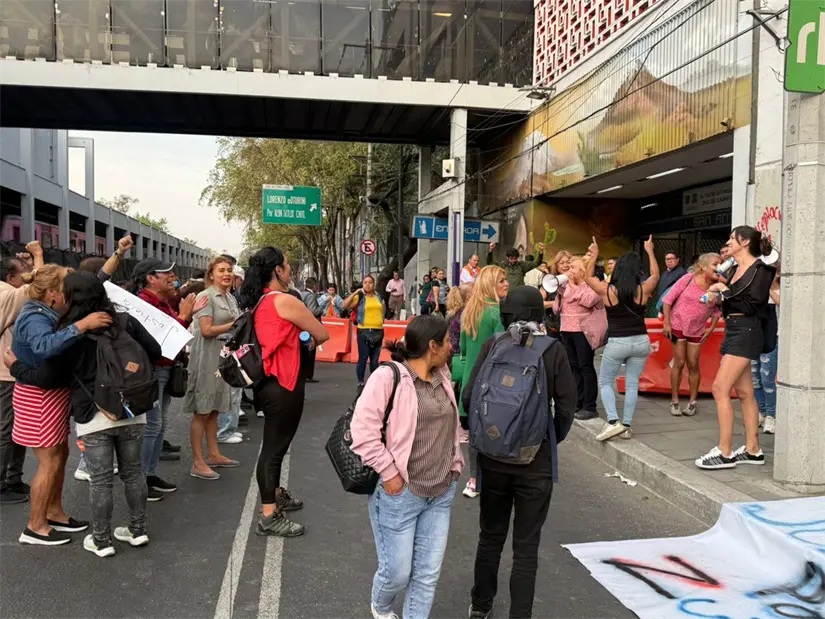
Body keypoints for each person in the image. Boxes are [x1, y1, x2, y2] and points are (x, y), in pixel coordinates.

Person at [7, 271, 162, 556]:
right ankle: (137, 531)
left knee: (100, 480)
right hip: (133, 409)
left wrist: (15, 367)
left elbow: (49, 378)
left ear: (71, 296)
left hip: (94, 414)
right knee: (133, 473)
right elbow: (155, 350)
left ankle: (101, 541)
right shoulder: (125, 321)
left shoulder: (71, 334)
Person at [463, 286, 576, 619]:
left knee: (490, 536)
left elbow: (469, 399)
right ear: (539, 315)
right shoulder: (553, 350)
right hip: (534, 462)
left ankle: (480, 606)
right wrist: (544, 439)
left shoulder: (493, 345)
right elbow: (567, 409)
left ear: (506, 314)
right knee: (526, 548)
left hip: (493, 459)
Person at [350, 315, 463, 619]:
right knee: (397, 573)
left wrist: (455, 464)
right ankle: (381, 605)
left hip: (441, 493)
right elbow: (362, 432)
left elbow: (449, 426)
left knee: (427, 576)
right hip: (402, 493)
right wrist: (389, 474)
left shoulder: (442, 376)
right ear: (432, 345)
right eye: (447, 341)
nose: (451, 347)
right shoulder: (389, 377)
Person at [12, 265, 113, 545]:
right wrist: (82, 326)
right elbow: (44, 346)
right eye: (66, 287)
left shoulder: (47, 311)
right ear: (54, 293)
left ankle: (54, 512)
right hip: (38, 396)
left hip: (50, 394)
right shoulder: (34, 316)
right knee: (48, 461)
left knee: (60, 456)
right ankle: (35, 526)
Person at [238, 247, 329, 537]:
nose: (290, 271)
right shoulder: (284, 301)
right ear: (277, 270)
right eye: (288, 266)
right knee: (274, 451)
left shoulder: (261, 300)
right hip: (283, 383)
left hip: (269, 383)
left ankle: (275, 495)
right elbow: (322, 333)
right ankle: (268, 516)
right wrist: (309, 339)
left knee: (274, 448)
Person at [695, 226, 775, 470]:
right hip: (734, 328)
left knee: (720, 388)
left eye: (732, 238)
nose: (728, 242)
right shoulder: (733, 270)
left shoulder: (762, 270)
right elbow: (733, 300)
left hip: (747, 331)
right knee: (745, 393)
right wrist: (717, 296)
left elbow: (753, 304)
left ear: (745, 242)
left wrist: (723, 291)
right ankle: (753, 450)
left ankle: (725, 451)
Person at [129, 257, 206, 500]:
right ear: (151, 278)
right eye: (166, 273)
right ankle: (140, 480)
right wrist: (183, 317)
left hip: (165, 369)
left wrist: (186, 316)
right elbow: (160, 340)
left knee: (159, 425)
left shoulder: (162, 302)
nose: (173, 277)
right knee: (151, 426)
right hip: (151, 372)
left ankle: (149, 475)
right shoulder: (142, 304)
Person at [584, 237, 659, 441]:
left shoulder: (607, 291)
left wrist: (593, 254)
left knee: (606, 381)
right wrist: (650, 251)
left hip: (618, 342)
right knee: (633, 383)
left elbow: (587, 277)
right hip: (641, 341)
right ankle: (626, 425)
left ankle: (612, 422)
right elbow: (655, 274)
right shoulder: (643, 289)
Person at [185, 256, 242, 480]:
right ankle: (198, 462)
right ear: (211, 274)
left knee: (215, 408)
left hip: (222, 358)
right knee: (202, 410)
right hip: (206, 358)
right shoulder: (205, 297)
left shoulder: (229, 297)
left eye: (229, 270)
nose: (227, 274)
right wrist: (236, 324)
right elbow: (206, 330)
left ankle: (214, 453)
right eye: (221, 270)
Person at [459, 266, 509, 500]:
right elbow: (502, 348)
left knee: (474, 434)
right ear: (490, 285)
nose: (506, 284)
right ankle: (492, 478)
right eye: (501, 281)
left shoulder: (469, 310)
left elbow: (462, 348)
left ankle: (473, 479)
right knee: (493, 431)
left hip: (470, 379)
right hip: (491, 379)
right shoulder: (496, 312)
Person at [0, 242, 43, 506]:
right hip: (6, 376)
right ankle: (4, 483)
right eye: (23, 272)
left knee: (13, 430)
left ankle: (12, 480)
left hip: (8, 373)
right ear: (10, 277)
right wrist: (38, 255)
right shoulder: (6, 295)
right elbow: (38, 285)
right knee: (7, 431)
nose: (27, 275)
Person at [662, 253, 723, 417]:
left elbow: (717, 310)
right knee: (679, 363)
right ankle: (675, 400)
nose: (720, 267)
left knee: (693, 364)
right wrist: (667, 322)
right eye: (715, 264)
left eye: (721, 264)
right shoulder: (688, 278)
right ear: (703, 266)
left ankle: (692, 402)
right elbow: (668, 300)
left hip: (697, 329)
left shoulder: (719, 286)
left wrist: (711, 328)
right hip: (677, 325)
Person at [554, 257, 602, 420]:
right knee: (573, 367)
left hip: (583, 332)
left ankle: (590, 406)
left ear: (583, 270)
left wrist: (572, 287)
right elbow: (555, 310)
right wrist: (559, 293)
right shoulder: (565, 287)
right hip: (566, 330)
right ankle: (578, 402)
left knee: (585, 366)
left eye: (573, 267)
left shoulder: (590, 284)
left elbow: (588, 301)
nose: (569, 269)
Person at [752, 259, 780, 435]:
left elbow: (780, 303)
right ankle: (761, 412)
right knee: (755, 377)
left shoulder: (779, 286)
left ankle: (772, 414)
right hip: (755, 334)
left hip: (773, 335)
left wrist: (771, 287)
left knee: (768, 377)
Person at [343, 275, 386, 390]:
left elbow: (383, 311)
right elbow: (344, 305)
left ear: (374, 284)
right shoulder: (360, 297)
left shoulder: (379, 297)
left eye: (370, 282)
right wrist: (355, 293)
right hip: (364, 331)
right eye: (365, 282)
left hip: (378, 331)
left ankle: (374, 383)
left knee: (375, 360)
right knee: (363, 358)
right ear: (362, 285)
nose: (368, 284)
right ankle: (361, 383)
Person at [300, 277, 323, 383]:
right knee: (310, 351)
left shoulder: (301, 294)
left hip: (302, 326)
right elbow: (313, 311)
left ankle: (303, 373)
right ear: (314, 286)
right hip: (310, 326)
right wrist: (321, 308)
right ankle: (308, 375)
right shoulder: (310, 296)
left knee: (304, 351)